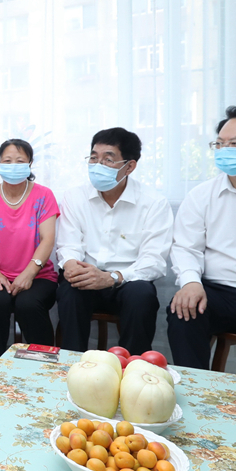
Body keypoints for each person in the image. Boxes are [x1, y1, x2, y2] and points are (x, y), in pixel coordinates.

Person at [168, 105, 236, 424]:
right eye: (220, 143)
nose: (225, 151)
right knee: (182, 311)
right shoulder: (201, 195)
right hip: (215, 291)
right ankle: (194, 409)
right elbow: (185, 246)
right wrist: (190, 281)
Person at [56, 128, 173, 354]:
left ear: (129, 166)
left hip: (127, 280)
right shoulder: (75, 196)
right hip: (86, 275)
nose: (98, 165)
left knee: (142, 296)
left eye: (108, 159)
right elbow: (69, 245)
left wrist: (112, 277)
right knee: (70, 291)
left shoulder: (153, 202)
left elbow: (153, 261)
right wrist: (71, 265)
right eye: (93, 158)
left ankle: (134, 366)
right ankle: (72, 363)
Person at [0, 138, 60, 364]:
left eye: (20, 161)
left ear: (30, 164)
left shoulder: (44, 195)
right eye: (7, 161)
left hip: (39, 275)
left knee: (28, 304)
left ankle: (43, 365)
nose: (13, 166)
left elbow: (47, 239)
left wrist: (29, 273)